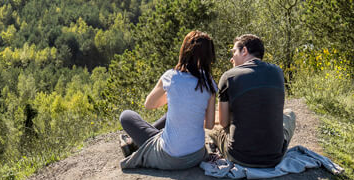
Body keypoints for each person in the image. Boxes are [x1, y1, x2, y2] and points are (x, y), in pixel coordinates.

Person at [119, 30, 217, 171]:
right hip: (196, 155)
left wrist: (174, 94)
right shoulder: (209, 82)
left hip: (170, 157)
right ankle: (136, 143)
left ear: (184, 51)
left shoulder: (171, 77)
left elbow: (149, 104)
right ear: (209, 56)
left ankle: (135, 143)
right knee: (170, 116)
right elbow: (209, 124)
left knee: (126, 116)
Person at [213, 34, 294, 168]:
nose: (231, 59)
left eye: (234, 52)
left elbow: (223, 122)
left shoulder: (228, 76)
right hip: (274, 157)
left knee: (211, 126)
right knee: (290, 114)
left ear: (244, 51)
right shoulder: (278, 72)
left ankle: (215, 146)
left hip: (239, 156)